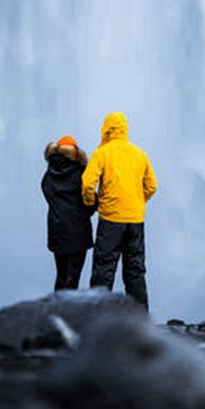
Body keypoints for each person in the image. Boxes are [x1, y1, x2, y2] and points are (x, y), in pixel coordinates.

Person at [81, 112, 157, 309]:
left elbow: (87, 183)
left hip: (111, 220)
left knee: (104, 270)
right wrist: (138, 201)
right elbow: (152, 186)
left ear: (106, 131)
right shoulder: (140, 154)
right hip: (136, 221)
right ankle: (141, 322)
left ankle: (98, 318)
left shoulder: (103, 153)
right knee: (135, 271)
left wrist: (92, 203)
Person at [41, 135, 95, 291]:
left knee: (61, 275)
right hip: (77, 232)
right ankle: (68, 312)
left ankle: (58, 309)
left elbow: (48, 195)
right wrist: (89, 210)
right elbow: (89, 200)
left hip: (57, 231)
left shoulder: (48, 175)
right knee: (73, 277)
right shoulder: (80, 174)